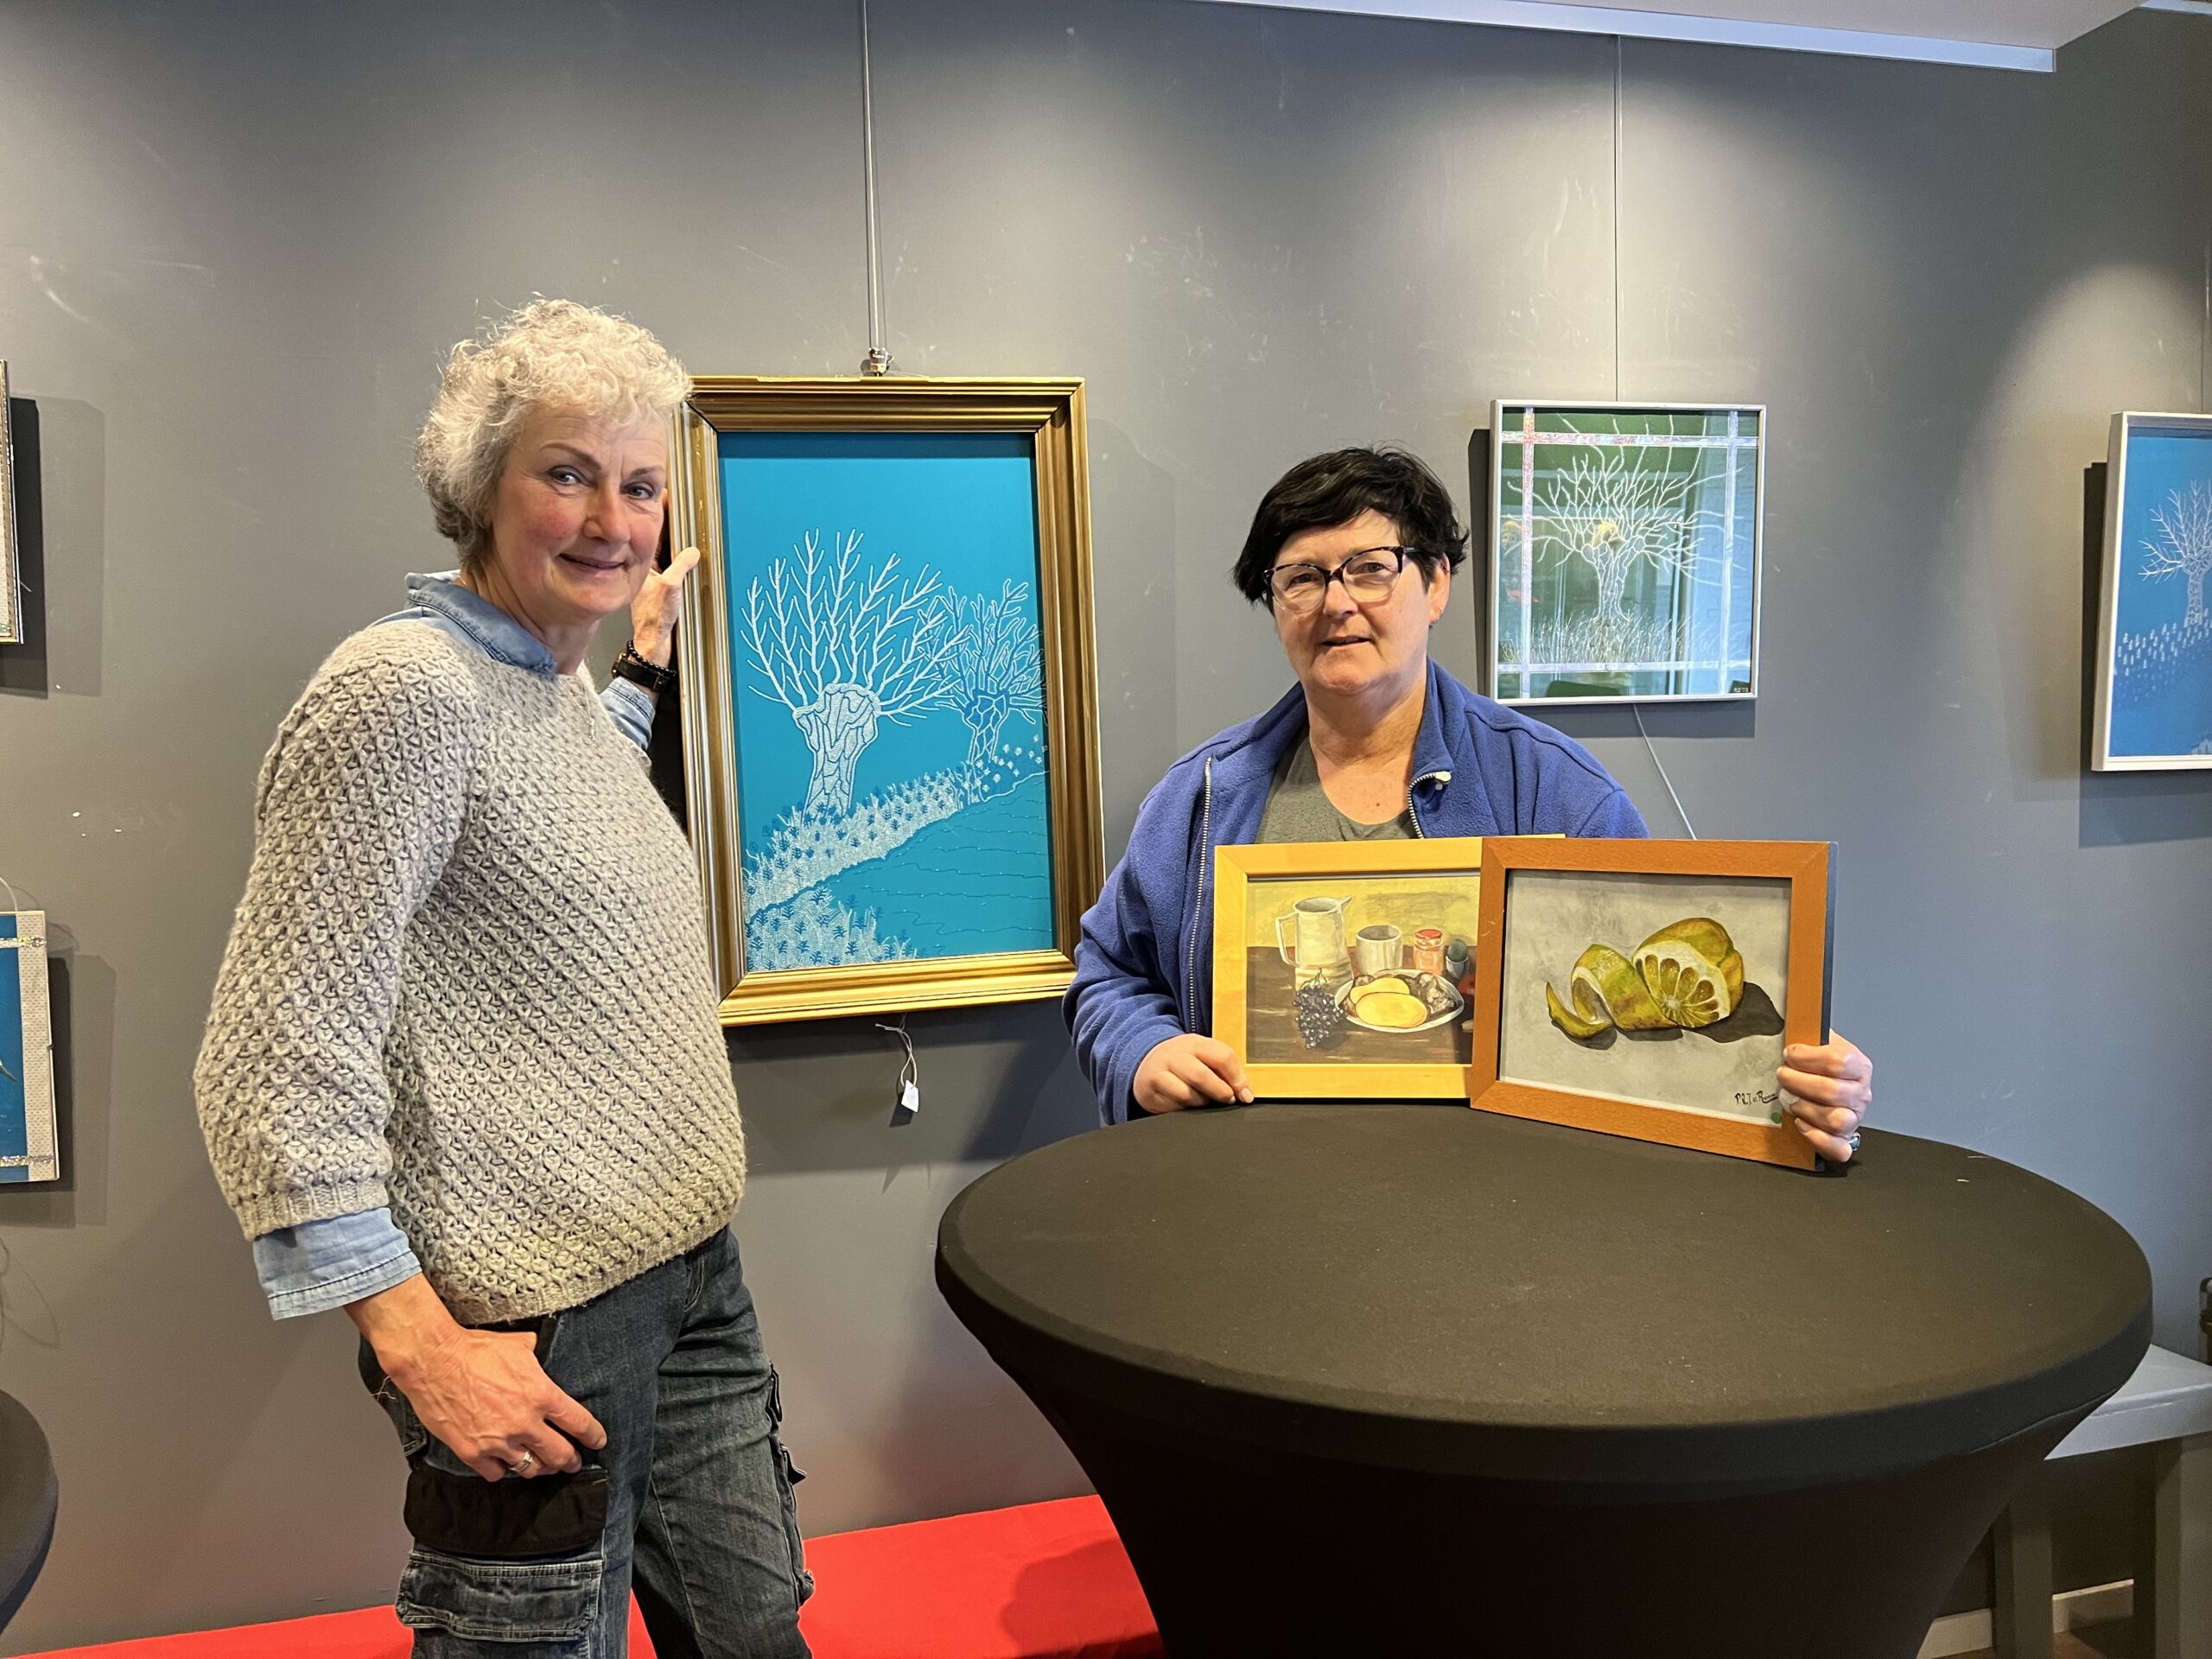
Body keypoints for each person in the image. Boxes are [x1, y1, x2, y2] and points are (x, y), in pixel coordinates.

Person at [194, 300, 810, 1658]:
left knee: (758, 1637)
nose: (610, 519)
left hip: (694, 1281)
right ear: (481, 488)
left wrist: (642, 661)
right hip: (542, 1327)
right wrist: (417, 1343)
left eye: (639, 486)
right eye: (568, 474)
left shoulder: (548, 690)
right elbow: (271, 1059)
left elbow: (559, 806)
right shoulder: (400, 693)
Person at [1065, 446, 1871, 1160]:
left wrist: (1780, 1075)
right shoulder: (1205, 796)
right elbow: (1109, 973)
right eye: (1302, 578)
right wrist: (1142, 1053)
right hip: (1257, 1191)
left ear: (1437, 583)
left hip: (1498, 1207)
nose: (1336, 603)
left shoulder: (1554, 790)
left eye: (1371, 567)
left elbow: (1644, 999)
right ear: (1275, 605)